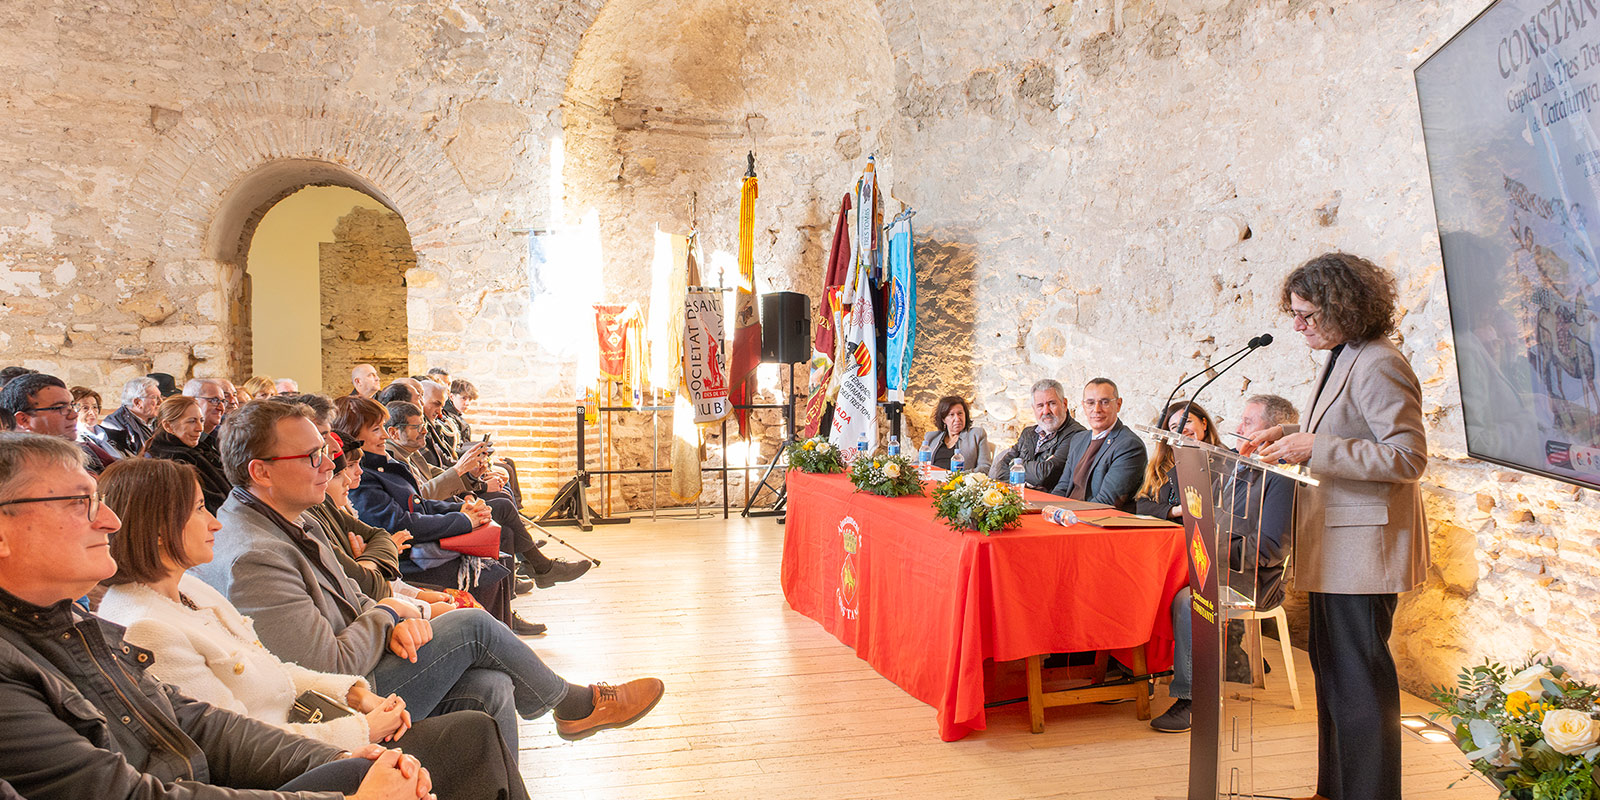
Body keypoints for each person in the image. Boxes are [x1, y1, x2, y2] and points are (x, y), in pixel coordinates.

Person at [191, 399, 663, 750]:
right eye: (313, 456)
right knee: (473, 626)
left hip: (365, 658)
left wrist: (396, 616)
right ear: (261, 472)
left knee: (494, 687)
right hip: (337, 705)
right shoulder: (254, 555)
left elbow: (356, 588)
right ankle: (574, 704)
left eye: (326, 451)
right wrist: (391, 614)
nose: (331, 464)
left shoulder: (291, 513)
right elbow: (328, 670)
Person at [0, 431, 436, 800]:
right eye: (81, 502)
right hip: (243, 765)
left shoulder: (75, 625)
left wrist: (340, 755)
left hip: (287, 735)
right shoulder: (125, 626)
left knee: (407, 756)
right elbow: (127, 792)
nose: (110, 521)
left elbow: (200, 722)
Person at [94, 457, 529, 799]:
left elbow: (272, 664)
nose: (214, 522)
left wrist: (354, 694)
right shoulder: (146, 625)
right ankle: (560, 702)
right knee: (471, 716)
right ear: (157, 529)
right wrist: (361, 729)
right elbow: (234, 742)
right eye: (198, 510)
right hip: (285, 764)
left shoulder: (188, 586)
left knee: (488, 686)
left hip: (319, 712)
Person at [1241, 252, 1427, 800]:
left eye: (1307, 315)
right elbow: (1347, 429)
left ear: (1343, 307)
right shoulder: (1344, 352)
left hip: (1364, 552)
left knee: (1359, 684)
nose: (1298, 326)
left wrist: (1315, 447)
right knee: (1335, 678)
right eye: (1295, 314)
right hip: (1337, 547)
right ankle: (1333, 791)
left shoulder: (1380, 362)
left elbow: (1407, 458)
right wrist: (1289, 436)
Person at [1150, 394, 1296, 734]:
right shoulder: (1233, 464)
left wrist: (1209, 544)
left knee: (1187, 601)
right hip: (1212, 565)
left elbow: (1270, 549)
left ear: (1274, 430)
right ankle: (1142, 674)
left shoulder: (1282, 477)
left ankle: (1193, 699)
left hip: (1253, 581)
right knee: (1153, 583)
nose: (1237, 427)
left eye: (1248, 422)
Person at [1050, 378, 1148, 513]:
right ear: (1083, 406)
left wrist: (1065, 515)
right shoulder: (1079, 439)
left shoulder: (1129, 446)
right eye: (1090, 403)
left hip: (1095, 519)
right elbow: (1063, 487)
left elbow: (1106, 502)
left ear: (1118, 405)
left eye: (1105, 402)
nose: (1096, 409)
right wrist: (1048, 510)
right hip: (1066, 515)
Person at [0, 373, 119, 474]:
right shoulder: (12, 472)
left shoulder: (87, 451)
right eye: (60, 408)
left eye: (71, 406)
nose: (74, 415)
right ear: (23, 420)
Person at [987, 379, 1086, 488]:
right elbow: (999, 469)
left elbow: (1044, 476)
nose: (1046, 411)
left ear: (1064, 404)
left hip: (1050, 498)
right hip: (1020, 495)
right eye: (1040, 405)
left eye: (1052, 404)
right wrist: (1031, 476)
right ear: (1034, 408)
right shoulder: (1028, 433)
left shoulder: (1077, 435)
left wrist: (1016, 465)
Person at [139, 396, 230, 514]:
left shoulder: (200, 450)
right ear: (168, 426)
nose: (200, 428)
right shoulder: (174, 463)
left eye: (201, 420)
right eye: (192, 421)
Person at [1135, 401, 1222, 520]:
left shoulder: (1221, 462)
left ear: (1204, 424)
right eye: (1174, 427)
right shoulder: (1163, 464)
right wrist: (1174, 511)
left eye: (1187, 422)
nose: (1182, 430)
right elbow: (1142, 506)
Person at [91, 376, 161, 457]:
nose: (160, 402)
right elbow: (124, 460)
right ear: (137, 402)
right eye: (154, 398)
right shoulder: (114, 425)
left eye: (160, 397)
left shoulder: (159, 419)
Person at [919, 395, 991, 473]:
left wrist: (959, 476)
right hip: (931, 478)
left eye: (960, 413)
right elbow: (917, 464)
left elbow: (985, 468)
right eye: (951, 414)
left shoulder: (977, 435)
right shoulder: (931, 437)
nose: (957, 419)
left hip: (960, 479)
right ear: (943, 419)